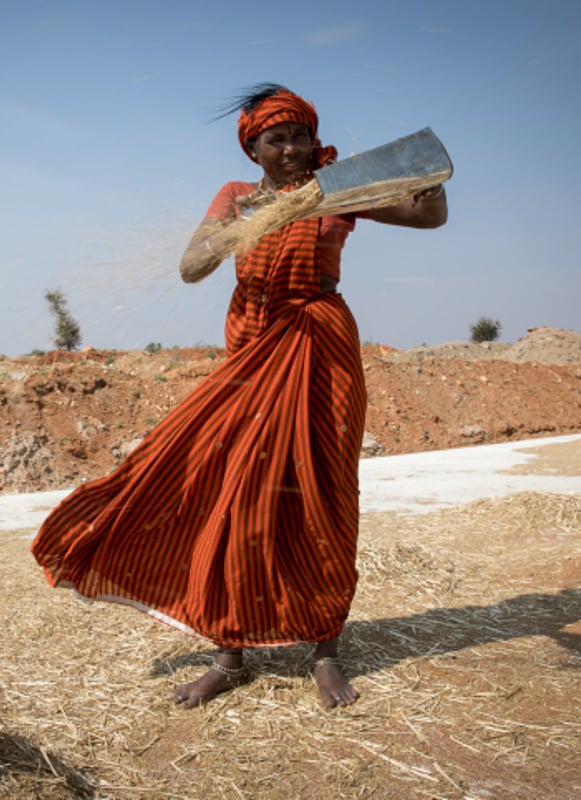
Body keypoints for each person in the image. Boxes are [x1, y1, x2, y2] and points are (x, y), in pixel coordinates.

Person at [31, 84, 447, 708]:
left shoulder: (338, 188)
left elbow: (427, 217)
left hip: (319, 349)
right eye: (275, 140)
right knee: (232, 496)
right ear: (252, 149)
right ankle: (229, 655)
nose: (290, 149)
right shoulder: (235, 197)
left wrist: (432, 186)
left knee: (321, 494)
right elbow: (192, 267)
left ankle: (326, 650)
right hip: (250, 354)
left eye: (299, 136)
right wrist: (245, 225)